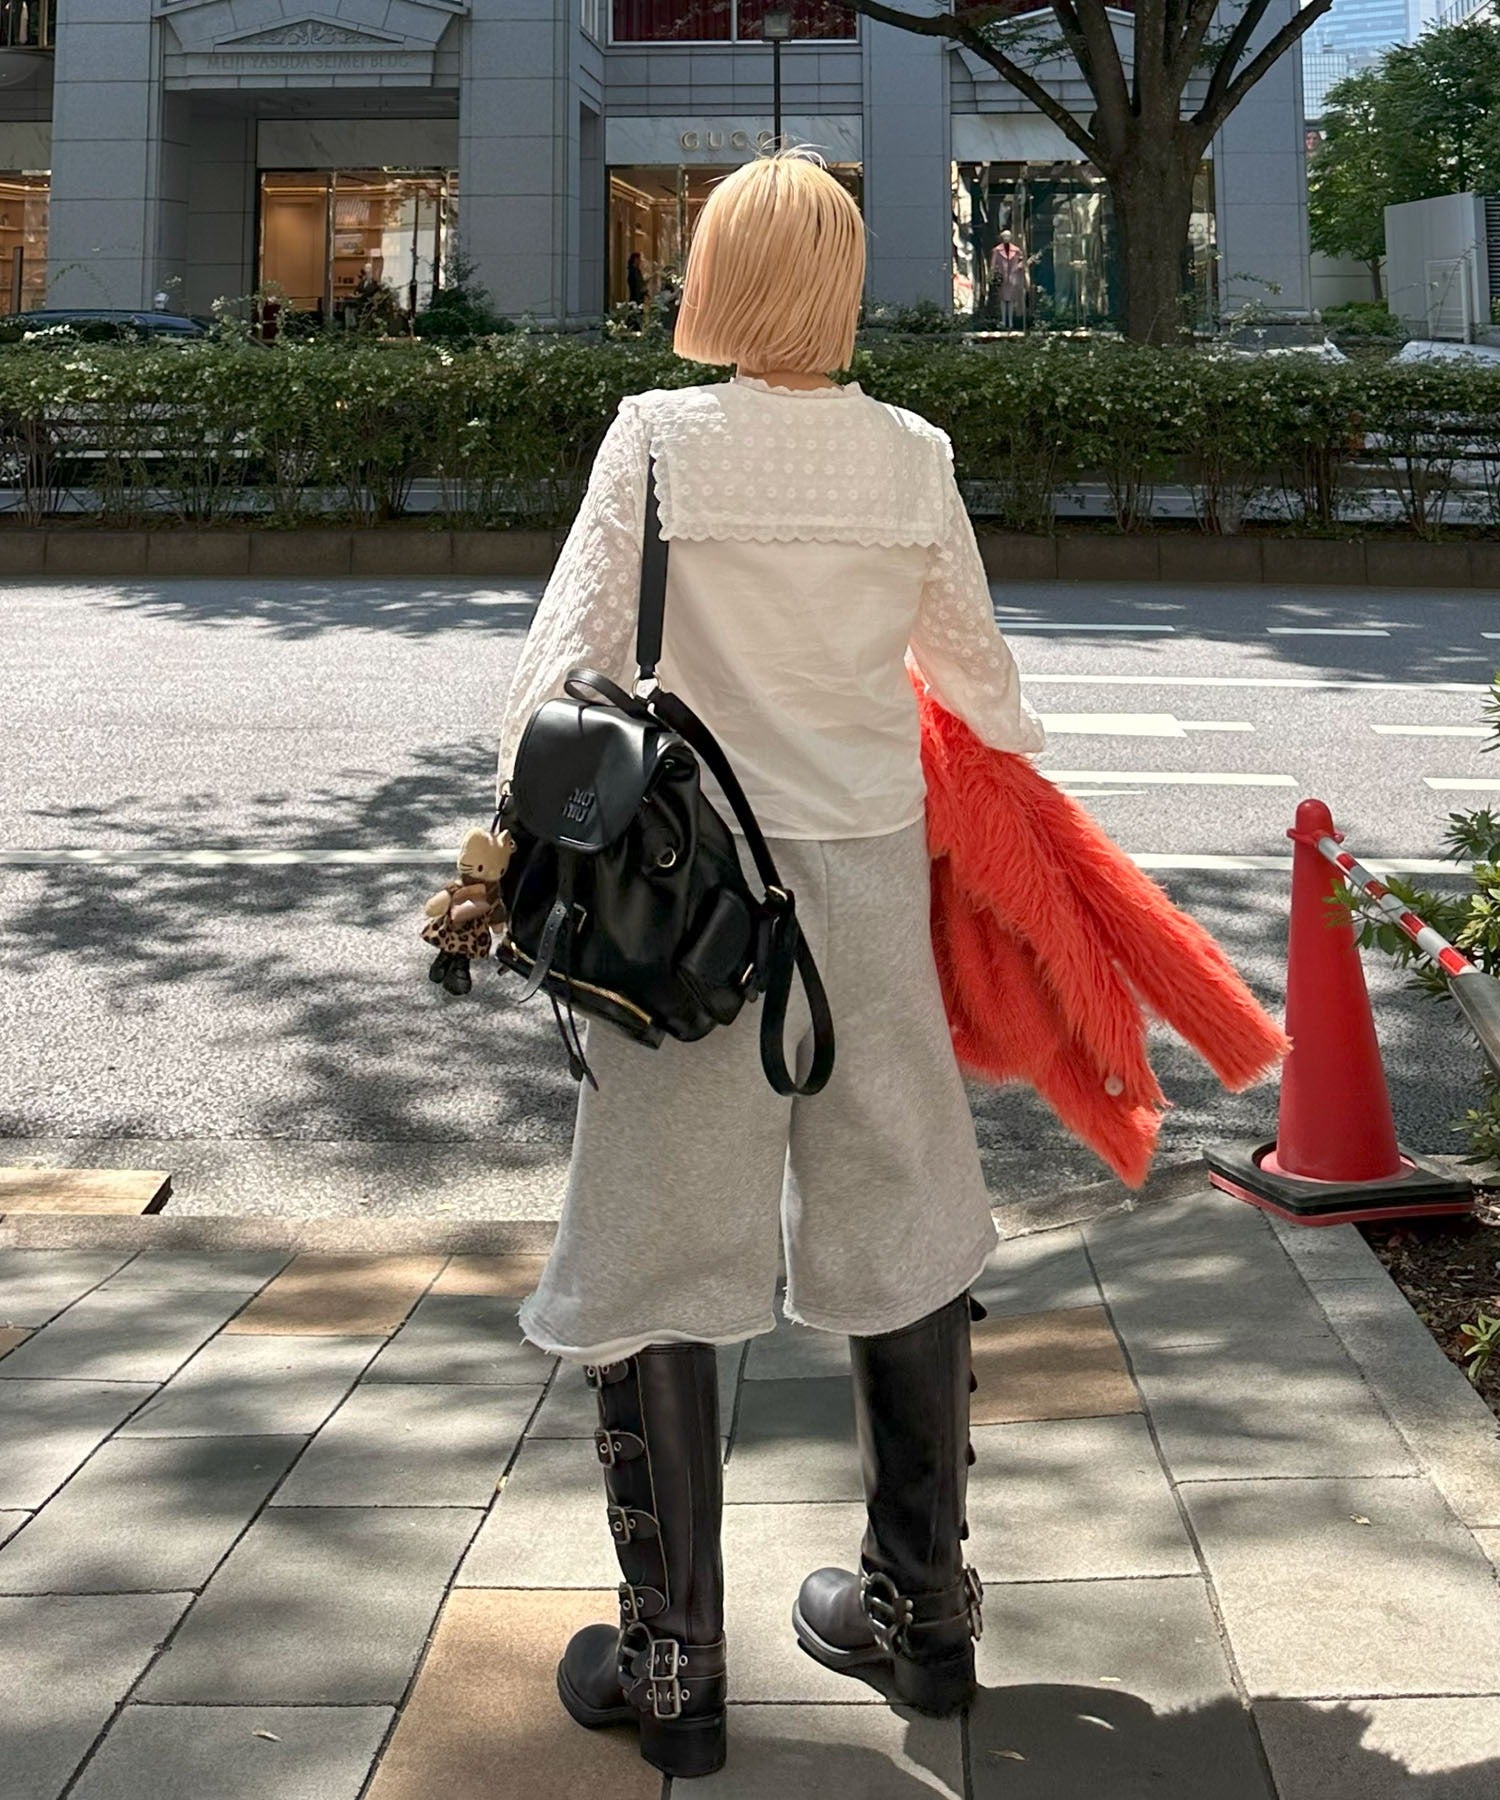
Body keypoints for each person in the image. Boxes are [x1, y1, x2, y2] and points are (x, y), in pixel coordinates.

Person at [494, 148, 1043, 1781]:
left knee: (658, 1238)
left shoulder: (658, 440)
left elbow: (559, 675)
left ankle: (675, 1664)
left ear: (717, 278)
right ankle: (924, 1616)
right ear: (848, 285)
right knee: (907, 1210)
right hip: (866, 882)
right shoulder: (914, 454)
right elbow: (986, 693)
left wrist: (497, 849)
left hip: (688, 903)